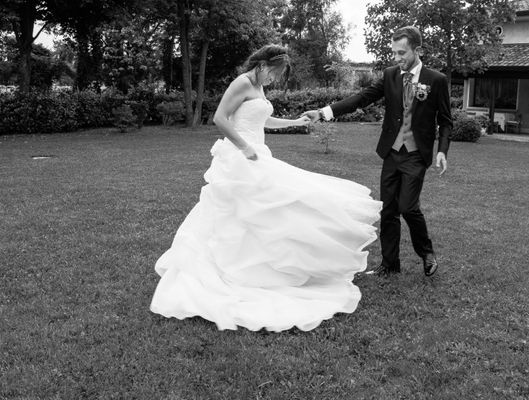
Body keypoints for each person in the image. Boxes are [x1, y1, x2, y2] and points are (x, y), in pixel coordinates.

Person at [150, 44, 382, 332]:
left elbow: (262, 119)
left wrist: (293, 122)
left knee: (269, 209)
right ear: (261, 65)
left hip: (257, 155)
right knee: (245, 211)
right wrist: (244, 148)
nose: (274, 80)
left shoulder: (257, 87)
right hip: (240, 158)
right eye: (273, 73)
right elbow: (220, 118)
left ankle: (264, 268)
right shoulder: (242, 83)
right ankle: (228, 270)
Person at [304, 26, 453, 278]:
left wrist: (442, 151)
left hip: (416, 154)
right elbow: (361, 98)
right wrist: (324, 112)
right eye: (394, 53)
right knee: (389, 210)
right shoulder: (390, 75)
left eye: (402, 53)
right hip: (392, 152)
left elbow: (446, 120)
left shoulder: (436, 80)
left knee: (408, 207)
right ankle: (389, 264)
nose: (397, 58)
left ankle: (426, 252)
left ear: (418, 50)